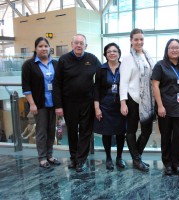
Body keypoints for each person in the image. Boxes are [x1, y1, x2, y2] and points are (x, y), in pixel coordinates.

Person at [53, 34, 102, 172]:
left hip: (87, 102)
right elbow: (56, 84)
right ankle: (74, 158)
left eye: (81, 43)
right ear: (72, 44)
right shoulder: (63, 60)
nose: (79, 45)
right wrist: (58, 105)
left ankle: (81, 160)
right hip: (69, 103)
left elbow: (101, 76)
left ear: (85, 46)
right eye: (76, 43)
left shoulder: (92, 59)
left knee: (86, 132)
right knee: (72, 132)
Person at [22, 37, 60, 168]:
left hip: (53, 103)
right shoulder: (29, 65)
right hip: (39, 104)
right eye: (40, 46)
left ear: (50, 48)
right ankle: (42, 157)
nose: (43, 48)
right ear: (35, 49)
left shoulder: (55, 64)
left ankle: (50, 155)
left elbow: (59, 84)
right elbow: (26, 87)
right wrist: (32, 104)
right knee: (41, 131)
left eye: (46, 46)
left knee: (51, 131)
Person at [119, 28, 155, 172]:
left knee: (147, 131)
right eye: (136, 39)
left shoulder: (147, 55)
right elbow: (123, 82)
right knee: (131, 130)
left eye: (141, 39)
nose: (139, 42)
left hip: (147, 101)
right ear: (131, 41)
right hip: (132, 99)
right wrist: (123, 102)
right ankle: (137, 159)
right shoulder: (128, 58)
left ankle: (136, 157)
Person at [152, 39, 179, 176]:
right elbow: (155, 86)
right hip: (165, 108)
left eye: (177, 47)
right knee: (166, 137)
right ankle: (167, 164)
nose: (174, 50)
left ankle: (177, 164)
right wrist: (160, 106)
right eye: (171, 48)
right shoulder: (160, 66)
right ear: (167, 50)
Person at [93, 43, 126, 170]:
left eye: (114, 51)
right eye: (109, 51)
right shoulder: (101, 69)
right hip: (105, 105)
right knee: (106, 133)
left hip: (121, 105)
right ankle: (108, 158)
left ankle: (119, 157)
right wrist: (97, 108)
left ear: (119, 53)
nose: (112, 53)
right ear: (105, 54)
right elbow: (96, 90)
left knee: (120, 132)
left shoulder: (124, 68)